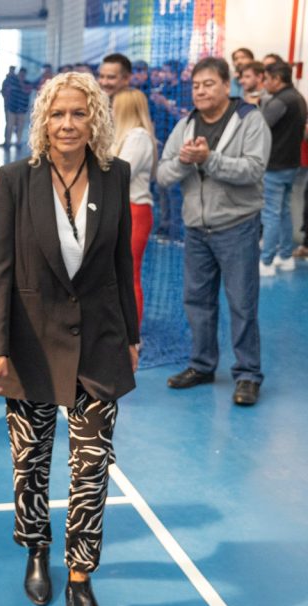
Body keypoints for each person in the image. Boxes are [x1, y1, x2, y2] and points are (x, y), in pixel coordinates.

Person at [0, 71, 140, 606]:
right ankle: (36, 547)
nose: (67, 124)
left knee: (91, 469)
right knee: (31, 464)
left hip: (99, 342)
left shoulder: (115, 175)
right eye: (57, 114)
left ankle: (80, 579)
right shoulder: (15, 179)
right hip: (29, 343)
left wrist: (132, 334)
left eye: (78, 113)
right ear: (42, 121)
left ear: (94, 118)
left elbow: (121, 262)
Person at [157, 57, 269, 406]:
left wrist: (209, 159)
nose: (201, 91)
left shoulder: (249, 120)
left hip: (237, 227)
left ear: (226, 85)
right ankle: (202, 365)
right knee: (197, 302)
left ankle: (248, 374)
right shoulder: (186, 124)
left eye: (208, 84)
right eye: (195, 86)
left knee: (242, 303)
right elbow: (162, 174)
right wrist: (184, 161)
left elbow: (253, 169)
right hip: (195, 230)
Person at [111, 88, 156, 327]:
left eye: (115, 107)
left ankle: (131, 334)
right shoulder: (124, 136)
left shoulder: (138, 136)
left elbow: (120, 173)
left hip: (134, 210)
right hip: (121, 208)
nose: (111, 111)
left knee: (129, 273)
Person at [258, 60, 306, 276]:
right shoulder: (298, 98)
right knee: (283, 211)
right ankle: (286, 257)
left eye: (267, 79)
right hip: (291, 164)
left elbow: (260, 126)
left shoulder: (280, 101)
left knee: (270, 214)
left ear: (277, 79)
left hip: (275, 166)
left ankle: (266, 261)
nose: (265, 83)